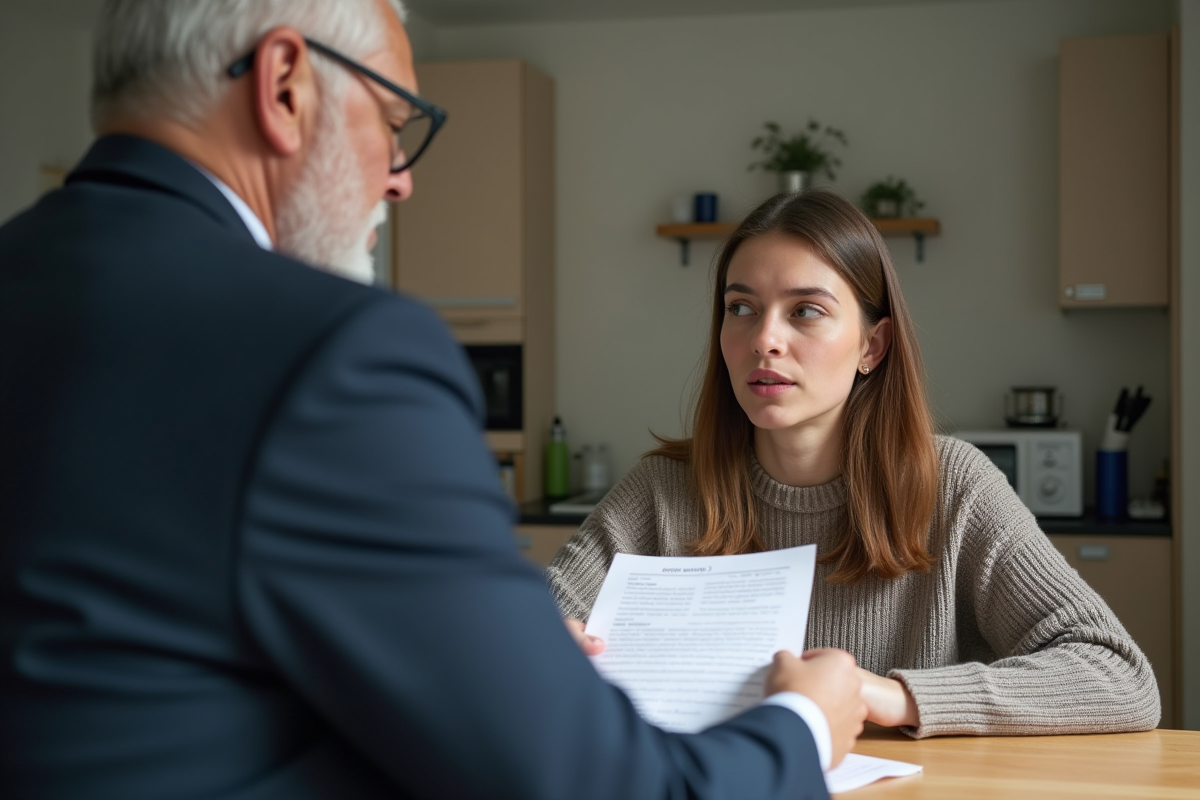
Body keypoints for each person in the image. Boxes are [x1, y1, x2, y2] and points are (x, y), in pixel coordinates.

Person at [0, 1, 868, 798]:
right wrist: (802, 724)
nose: (401, 180)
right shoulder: (335, 351)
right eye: (392, 121)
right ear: (284, 86)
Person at [548, 189, 1162, 738]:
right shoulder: (662, 489)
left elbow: (1119, 675)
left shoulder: (956, 486)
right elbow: (523, 632)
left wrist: (889, 697)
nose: (764, 339)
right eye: (741, 308)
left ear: (873, 344)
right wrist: (544, 645)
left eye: (805, 311)